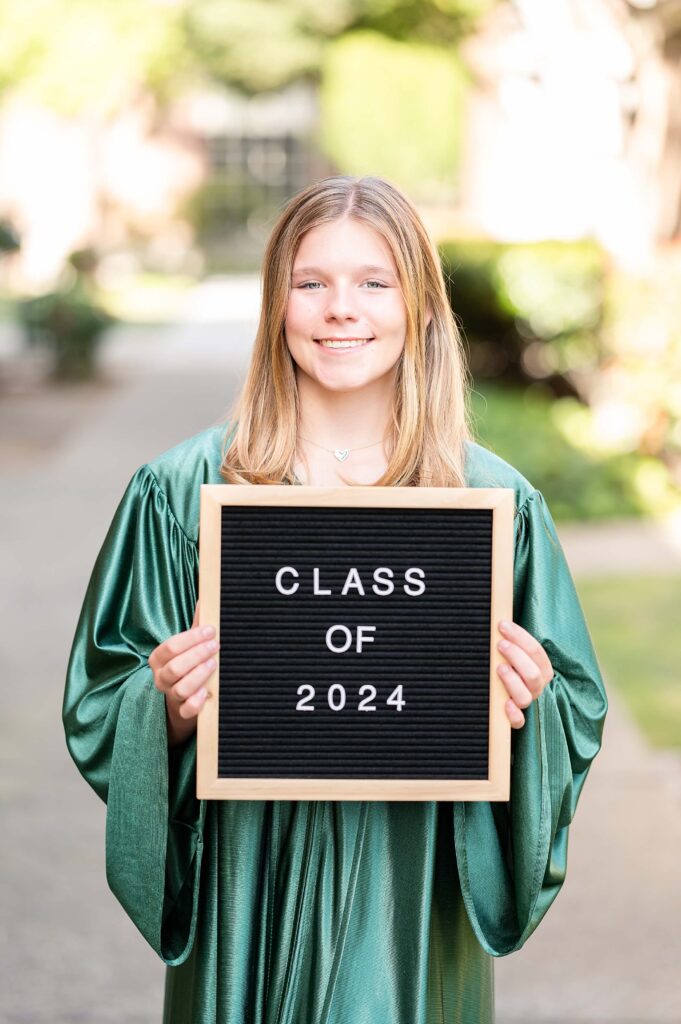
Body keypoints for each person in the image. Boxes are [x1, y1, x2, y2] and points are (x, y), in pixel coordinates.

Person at [63, 175, 607, 1023]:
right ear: (276, 304)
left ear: (421, 306)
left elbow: (573, 708)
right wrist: (163, 705)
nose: (339, 309)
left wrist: (527, 704)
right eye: (310, 282)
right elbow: (101, 699)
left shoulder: (488, 505)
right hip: (247, 877)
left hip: (412, 885)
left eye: (373, 283)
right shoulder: (183, 492)